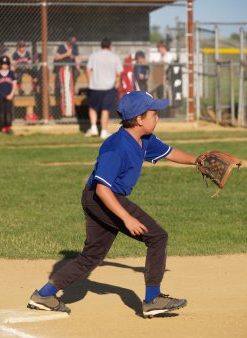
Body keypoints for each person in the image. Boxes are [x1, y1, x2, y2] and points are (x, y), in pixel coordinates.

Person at [27, 90, 197, 319]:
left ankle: (44, 296)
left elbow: (170, 153)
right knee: (156, 237)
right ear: (139, 119)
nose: (157, 117)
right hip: (102, 199)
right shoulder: (116, 146)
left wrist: (198, 161)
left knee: (91, 256)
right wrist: (126, 217)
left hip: (103, 199)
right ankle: (152, 299)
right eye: (154, 113)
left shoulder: (143, 139)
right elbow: (102, 189)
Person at [85, 37, 123, 140]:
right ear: (110, 45)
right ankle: (103, 131)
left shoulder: (94, 55)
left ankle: (93, 128)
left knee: (92, 107)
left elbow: (88, 69)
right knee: (105, 109)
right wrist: (117, 83)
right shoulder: (115, 57)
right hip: (109, 87)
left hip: (94, 87)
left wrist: (90, 82)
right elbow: (119, 73)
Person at [53, 36, 81, 118]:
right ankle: (65, 112)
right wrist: (66, 54)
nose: (71, 45)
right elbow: (56, 57)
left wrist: (76, 59)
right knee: (64, 91)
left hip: (71, 70)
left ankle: (70, 111)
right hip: (63, 69)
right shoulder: (62, 47)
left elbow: (78, 58)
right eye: (70, 44)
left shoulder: (75, 48)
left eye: (72, 44)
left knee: (70, 90)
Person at [0, 55, 17, 134]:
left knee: (8, 112)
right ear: (0, 64)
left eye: (6, 64)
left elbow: (14, 85)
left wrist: (11, 95)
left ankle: (8, 128)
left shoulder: (11, 74)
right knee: (1, 112)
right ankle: (2, 128)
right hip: (0, 97)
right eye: (3, 64)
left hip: (9, 96)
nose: (4, 66)